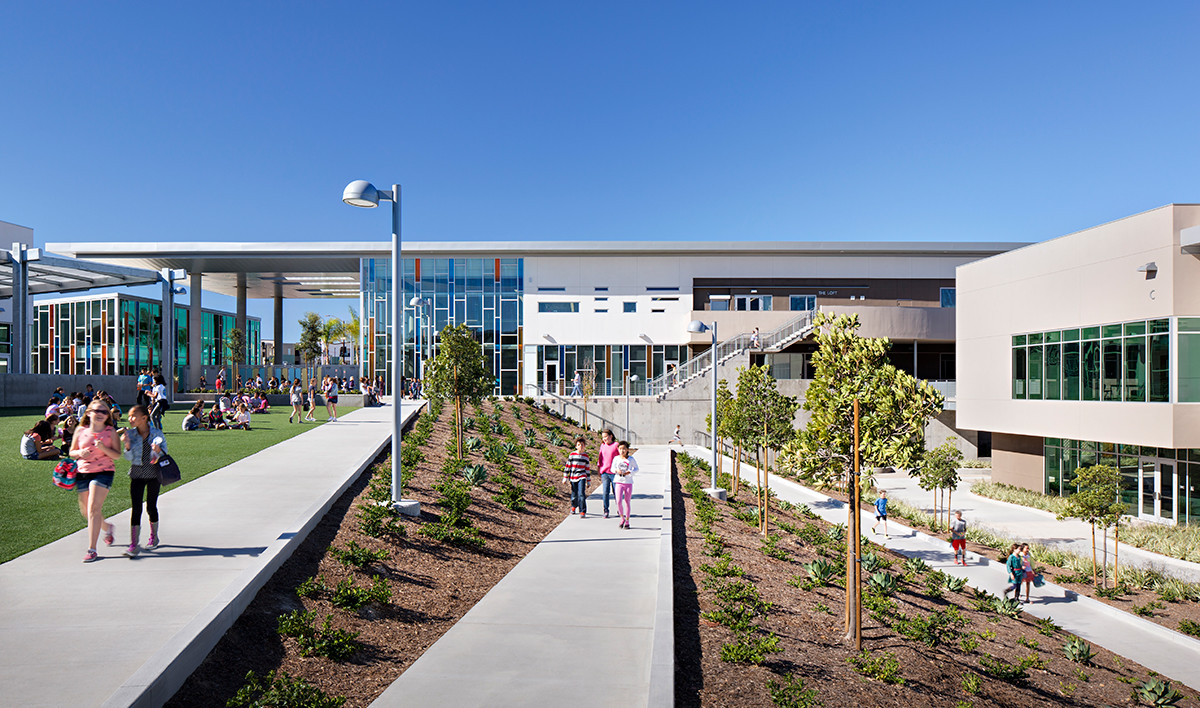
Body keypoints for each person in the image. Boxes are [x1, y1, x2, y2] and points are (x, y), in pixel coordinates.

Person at [71, 399, 123, 562]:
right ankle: (107, 528)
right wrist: (80, 452)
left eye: (104, 411)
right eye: (97, 411)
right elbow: (71, 451)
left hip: (104, 471)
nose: (100, 414)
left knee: (94, 508)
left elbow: (117, 455)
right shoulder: (80, 430)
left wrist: (104, 448)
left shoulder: (110, 432)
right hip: (83, 471)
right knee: (86, 512)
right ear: (88, 413)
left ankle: (92, 549)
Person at [121, 405, 166, 557]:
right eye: (129, 416)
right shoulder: (131, 435)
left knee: (151, 507)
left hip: (154, 475)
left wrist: (159, 451)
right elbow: (129, 458)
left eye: (133, 416)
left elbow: (165, 454)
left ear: (144, 418)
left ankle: (154, 537)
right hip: (137, 474)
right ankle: (134, 543)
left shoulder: (156, 433)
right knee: (136, 508)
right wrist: (127, 445)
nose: (130, 419)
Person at [562, 436, 592, 518]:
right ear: (576, 446)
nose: (581, 446)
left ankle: (582, 511)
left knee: (581, 494)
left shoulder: (586, 456)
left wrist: (588, 481)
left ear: (584, 446)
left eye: (582, 445)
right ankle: (574, 506)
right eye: (579, 445)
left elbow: (587, 469)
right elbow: (567, 466)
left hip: (581, 477)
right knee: (574, 494)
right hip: (573, 477)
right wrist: (565, 477)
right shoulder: (572, 455)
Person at [613, 440, 638, 529]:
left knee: (627, 501)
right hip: (618, 482)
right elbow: (612, 469)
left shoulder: (631, 459)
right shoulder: (616, 459)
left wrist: (629, 472)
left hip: (628, 482)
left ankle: (627, 521)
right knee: (618, 501)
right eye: (620, 449)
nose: (622, 451)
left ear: (627, 449)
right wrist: (616, 471)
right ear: (618, 449)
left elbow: (636, 468)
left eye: (624, 449)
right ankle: (622, 518)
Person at [597, 429, 619, 519]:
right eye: (603, 437)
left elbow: (621, 457)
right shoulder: (602, 446)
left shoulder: (616, 445)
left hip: (614, 473)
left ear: (611, 436)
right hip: (605, 473)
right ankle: (606, 510)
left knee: (616, 492)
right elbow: (600, 458)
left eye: (606, 436)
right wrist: (598, 469)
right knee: (605, 492)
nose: (604, 439)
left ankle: (619, 509)